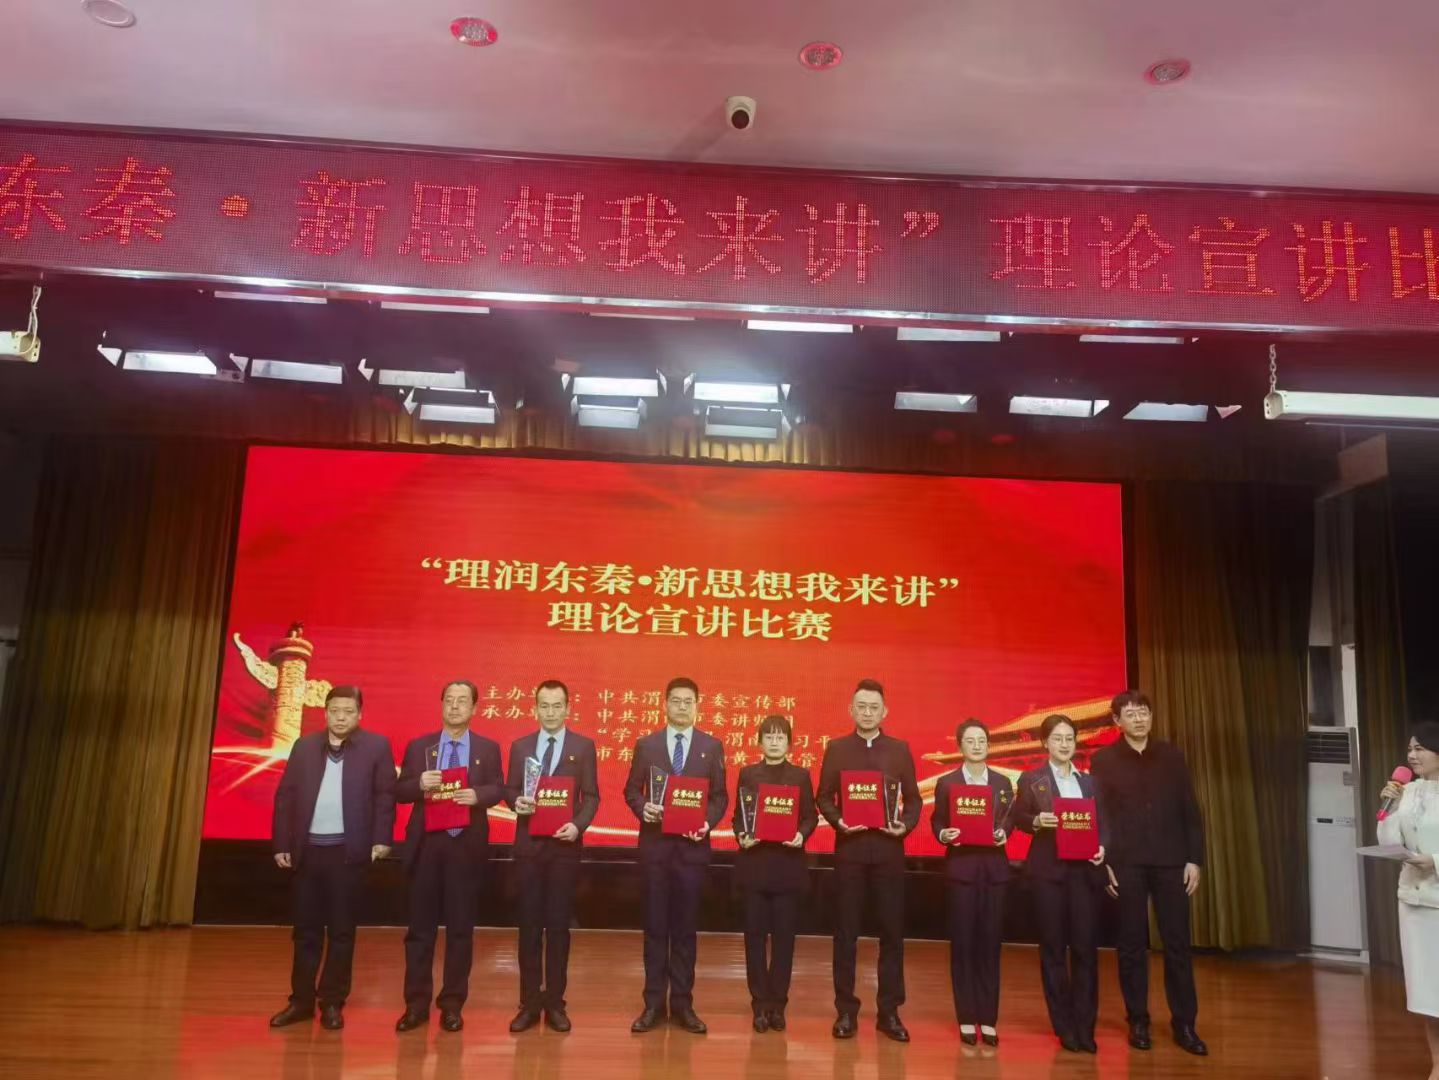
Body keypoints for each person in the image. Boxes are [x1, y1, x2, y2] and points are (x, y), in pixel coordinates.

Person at [268, 685, 395, 1031]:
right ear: (325, 713)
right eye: (335, 711)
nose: (341, 717)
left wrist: (382, 839)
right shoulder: (305, 746)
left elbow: (385, 796)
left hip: (348, 854)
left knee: (341, 931)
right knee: (305, 931)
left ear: (360, 715)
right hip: (308, 853)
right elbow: (286, 796)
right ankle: (301, 1001)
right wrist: (281, 843)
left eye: (348, 712)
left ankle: (332, 1002)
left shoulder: (376, 747)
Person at [1090, 690, 1208, 1056]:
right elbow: (1100, 814)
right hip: (1126, 862)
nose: (1139, 718)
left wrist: (1194, 859)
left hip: (1171, 861)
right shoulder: (1103, 760)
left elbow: (1189, 808)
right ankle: (1137, 1019)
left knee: (1177, 944)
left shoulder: (1172, 756)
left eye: (1144, 712)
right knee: (1130, 946)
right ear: (1117, 721)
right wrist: (1105, 862)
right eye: (1131, 713)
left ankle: (1184, 1023)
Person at [394, 680, 504, 1033]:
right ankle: (416, 1004)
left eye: (462, 701)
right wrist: (418, 784)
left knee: (460, 931)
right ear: (441, 705)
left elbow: (498, 788)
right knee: (420, 931)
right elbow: (399, 790)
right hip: (427, 846)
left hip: (464, 848)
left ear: (474, 708)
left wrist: (478, 795)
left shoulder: (487, 748)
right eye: (449, 700)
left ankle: (452, 1005)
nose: (455, 706)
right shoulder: (420, 746)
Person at [816, 678, 922, 1042]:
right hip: (850, 851)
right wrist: (838, 821)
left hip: (889, 852)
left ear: (884, 711)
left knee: (892, 933)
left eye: (874, 707)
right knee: (846, 933)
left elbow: (914, 799)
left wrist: (905, 825)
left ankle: (889, 1011)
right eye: (861, 706)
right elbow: (824, 796)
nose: (867, 713)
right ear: (851, 709)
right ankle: (846, 1010)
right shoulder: (837, 748)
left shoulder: (899, 749)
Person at [622, 676, 729, 1035]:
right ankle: (653, 1003)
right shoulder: (647, 745)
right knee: (655, 929)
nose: (682, 707)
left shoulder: (711, 746)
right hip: (655, 851)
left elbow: (720, 797)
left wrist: (707, 823)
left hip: (691, 851)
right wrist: (644, 808)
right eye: (676, 700)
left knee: (685, 931)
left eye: (688, 701)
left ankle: (683, 1004)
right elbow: (631, 790)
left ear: (698, 706)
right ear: (664, 704)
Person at [503, 679, 600, 1034]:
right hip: (529, 848)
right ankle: (529, 1003)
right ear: (535, 709)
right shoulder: (520, 746)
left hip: (564, 849)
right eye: (544, 705)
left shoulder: (583, 747)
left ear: (568, 708)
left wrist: (577, 825)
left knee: (558, 927)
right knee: (529, 927)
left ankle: (556, 1003)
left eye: (557, 705)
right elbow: (510, 790)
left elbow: (591, 796)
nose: (551, 712)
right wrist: (516, 801)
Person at [1013, 713, 1109, 1054]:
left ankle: (1085, 1026)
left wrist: (1103, 847)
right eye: (1058, 738)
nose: (1065, 744)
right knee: (1053, 950)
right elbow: (1018, 817)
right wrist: (1037, 820)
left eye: (1069, 738)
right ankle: (1064, 1025)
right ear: (1045, 743)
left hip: (1083, 874)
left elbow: (1104, 823)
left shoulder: (1090, 783)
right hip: (1048, 874)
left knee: (1085, 950)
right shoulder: (1032, 779)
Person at [732, 715, 819, 1033]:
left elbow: (810, 816)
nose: (774, 742)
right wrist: (742, 836)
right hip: (755, 866)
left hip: (787, 868)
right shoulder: (748, 773)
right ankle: (759, 1004)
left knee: (784, 941)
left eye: (780, 737)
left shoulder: (800, 776)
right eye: (768, 737)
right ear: (759, 742)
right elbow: (738, 817)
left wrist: (801, 834)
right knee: (754, 939)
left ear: (789, 743)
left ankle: (778, 1005)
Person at [930, 718, 1014, 1047]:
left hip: (995, 871)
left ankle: (988, 1019)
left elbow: (1009, 820)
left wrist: (1004, 833)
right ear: (960, 746)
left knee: (991, 945)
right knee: (963, 945)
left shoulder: (1003, 782)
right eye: (970, 741)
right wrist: (944, 834)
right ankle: (966, 1016)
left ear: (988, 745)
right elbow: (938, 820)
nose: (977, 746)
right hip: (961, 871)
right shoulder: (947, 783)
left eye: (982, 741)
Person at [1378, 722, 1439, 1080]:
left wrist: (1436, 861)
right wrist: (1389, 809)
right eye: (1410, 749)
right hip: (1414, 904)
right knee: (1428, 995)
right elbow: (1388, 844)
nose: (1412, 755)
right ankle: (1438, 1065)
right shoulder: (1408, 791)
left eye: (1421, 748)